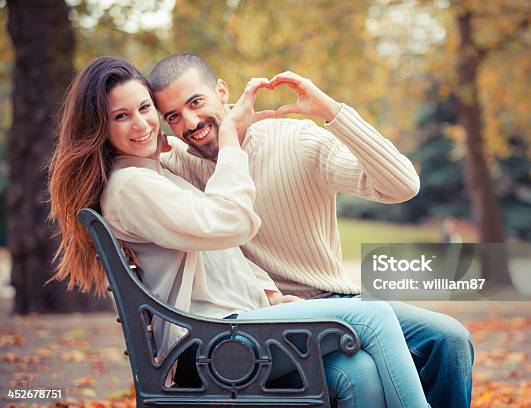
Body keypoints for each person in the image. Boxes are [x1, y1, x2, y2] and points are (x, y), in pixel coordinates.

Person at [48, 56, 432, 408]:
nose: (142, 124)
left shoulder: (153, 177)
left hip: (232, 326)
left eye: (145, 109)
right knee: (375, 316)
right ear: (100, 125)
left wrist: (269, 296)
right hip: (215, 340)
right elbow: (230, 222)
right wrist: (231, 137)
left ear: (221, 92)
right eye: (121, 116)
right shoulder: (133, 186)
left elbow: (220, 259)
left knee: (361, 369)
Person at [152, 53, 474, 407]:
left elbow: (402, 185)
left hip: (339, 301)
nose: (191, 122)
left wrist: (333, 113)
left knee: (450, 339)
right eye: (173, 116)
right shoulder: (177, 166)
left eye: (195, 102)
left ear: (222, 91)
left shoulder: (295, 141)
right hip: (266, 319)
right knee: (359, 369)